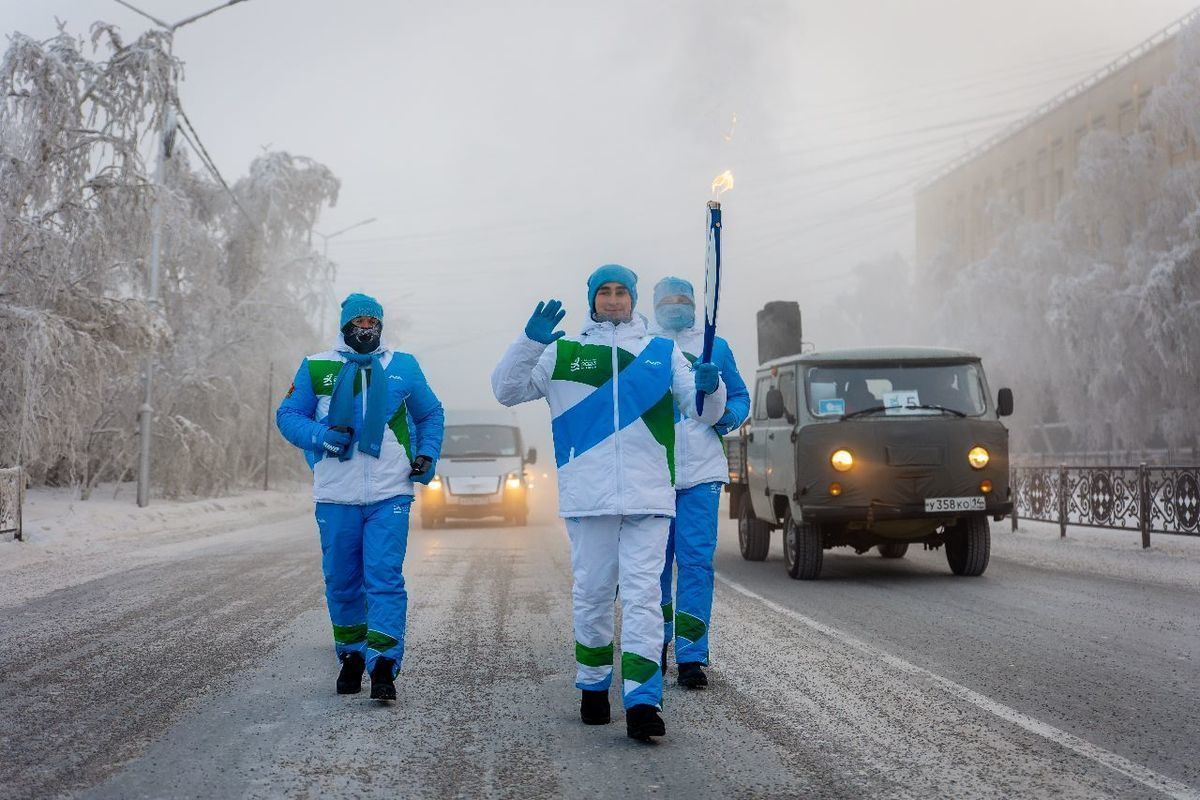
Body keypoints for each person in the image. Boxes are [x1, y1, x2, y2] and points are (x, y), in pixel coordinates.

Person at [490, 265, 727, 742]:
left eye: (622, 292)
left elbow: (704, 414)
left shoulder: (661, 353)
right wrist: (528, 343)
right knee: (594, 593)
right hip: (590, 494)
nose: (614, 300)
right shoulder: (563, 352)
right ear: (593, 299)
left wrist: (710, 385)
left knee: (643, 597)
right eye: (606, 292)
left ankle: (643, 701)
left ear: (634, 299)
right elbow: (507, 391)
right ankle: (595, 687)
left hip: (650, 495)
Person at [276, 292, 444, 702]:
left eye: (373, 322)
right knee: (343, 580)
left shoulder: (402, 366)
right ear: (346, 325)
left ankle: (384, 664)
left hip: (390, 492)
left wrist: (426, 455)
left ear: (381, 326)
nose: (366, 328)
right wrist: (322, 437)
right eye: (359, 322)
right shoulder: (317, 366)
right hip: (336, 495)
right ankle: (351, 656)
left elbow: (429, 413)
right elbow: (288, 416)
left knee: (384, 577)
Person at [650, 277, 750, 689]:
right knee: (651, 568)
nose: (676, 305)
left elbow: (740, 397)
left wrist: (721, 417)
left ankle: (691, 655)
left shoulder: (715, 346)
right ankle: (651, 646)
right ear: (654, 305)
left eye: (683, 300)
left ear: (695, 305)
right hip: (652, 471)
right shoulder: (642, 345)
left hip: (702, 474)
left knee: (694, 565)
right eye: (668, 300)